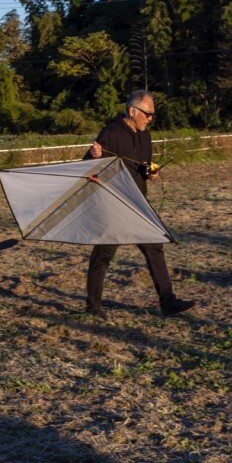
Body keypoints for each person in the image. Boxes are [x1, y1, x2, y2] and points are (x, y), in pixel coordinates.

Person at [83, 90, 195, 318]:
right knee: (103, 257)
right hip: (114, 204)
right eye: (148, 113)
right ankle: (93, 308)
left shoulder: (145, 135)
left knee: (155, 246)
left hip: (138, 202)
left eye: (153, 114)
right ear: (132, 111)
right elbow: (89, 165)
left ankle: (168, 302)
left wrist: (151, 172)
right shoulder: (111, 132)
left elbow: (144, 165)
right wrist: (93, 155)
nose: (151, 118)